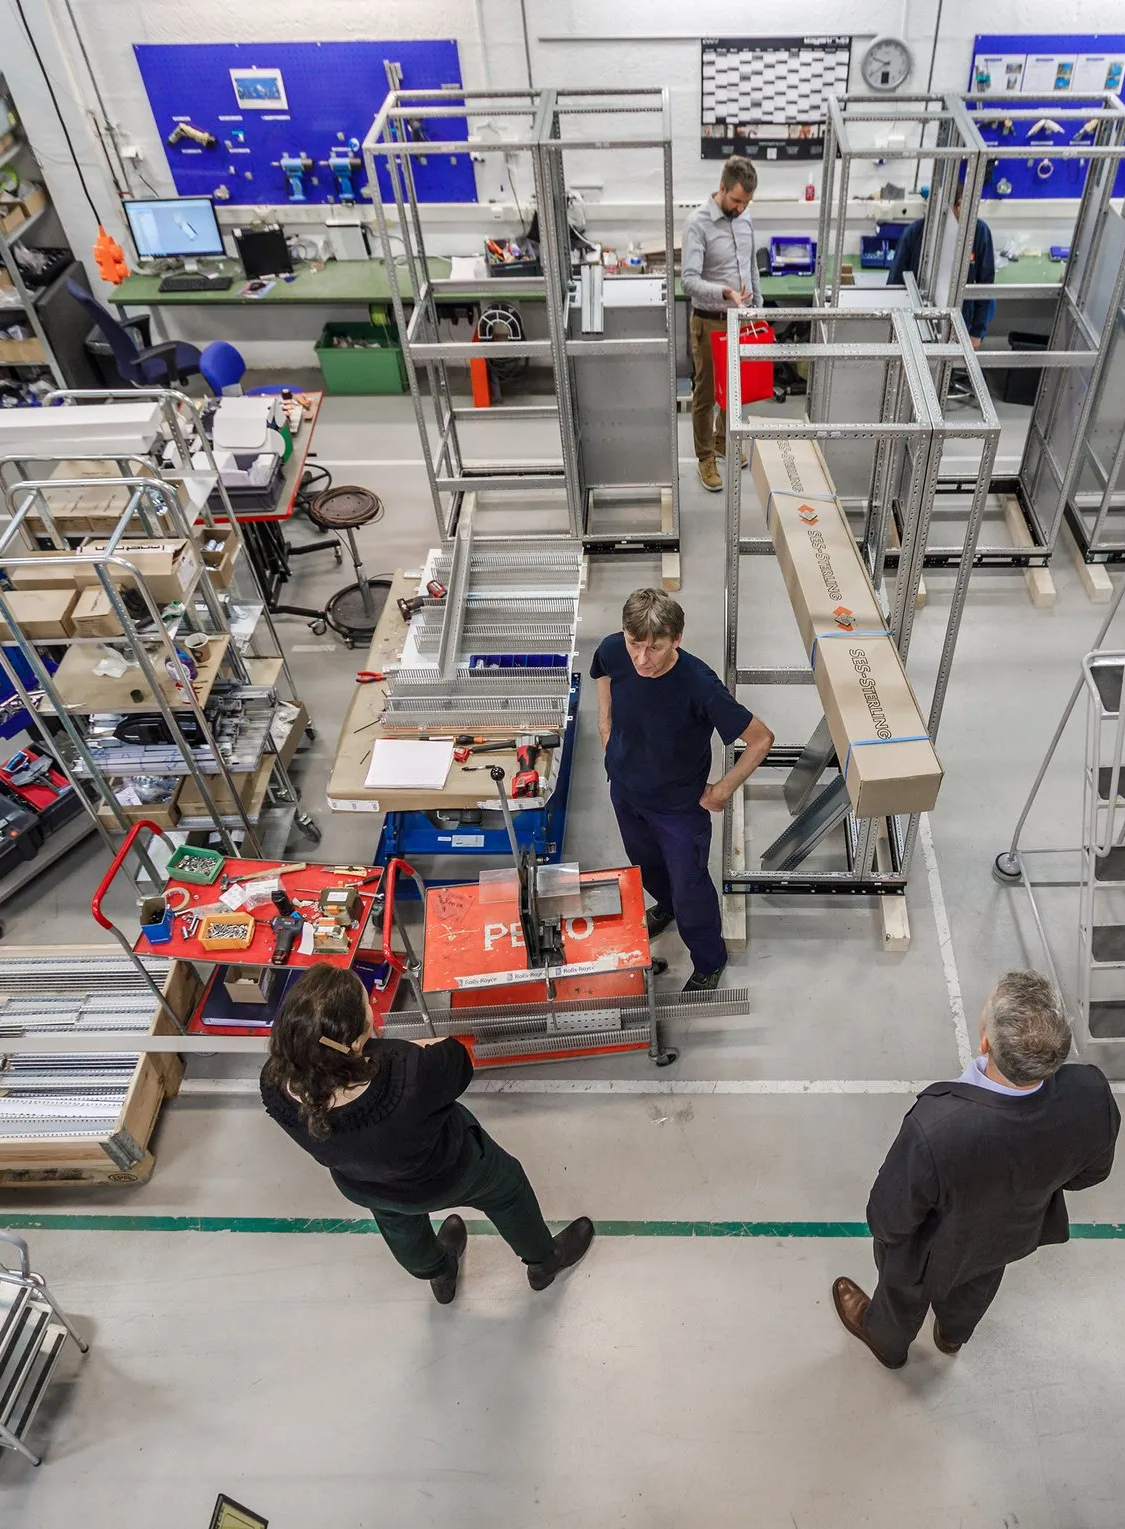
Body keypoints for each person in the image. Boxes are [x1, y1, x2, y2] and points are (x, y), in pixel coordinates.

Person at [831, 970, 1119, 1367]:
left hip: (930, 1249)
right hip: (1007, 1235)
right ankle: (952, 1336)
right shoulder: (1090, 1093)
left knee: (903, 1292)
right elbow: (1092, 1173)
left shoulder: (938, 1127)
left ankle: (886, 1342)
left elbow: (887, 1219)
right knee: (978, 1284)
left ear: (985, 1043)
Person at [261, 964, 595, 1305]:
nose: (372, 1014)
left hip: (367, 1187)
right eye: (367, 1009)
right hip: (450, 1171)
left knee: (399, 1227)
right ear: (355, 1041)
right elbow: (457, 1061)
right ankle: (543, 1261)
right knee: (508, 1191)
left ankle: (438, 1271)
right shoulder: (408, 1071)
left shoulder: (274, 1084)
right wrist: (399, 1049)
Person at [590, 587, 773, 991]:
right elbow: (602, 670)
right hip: (625, 790)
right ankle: (665, 907)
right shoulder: (613, 649)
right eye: (635, 644)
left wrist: (722, 791)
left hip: (677, 811)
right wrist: (605, 727)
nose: (642, 659)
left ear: (677, 638)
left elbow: (760, 739)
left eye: (654, 648)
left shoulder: (699, 685)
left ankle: (709, 960)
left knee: (691, 889)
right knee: (646, 864)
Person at [683, 155, 761, 492]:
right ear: (722, 188)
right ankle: (705, 458)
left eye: (746, 202)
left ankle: (722, 439)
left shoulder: (746, 220)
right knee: (705, 394)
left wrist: (757, 303)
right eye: (736, 200)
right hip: (710, 320)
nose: (741, 208)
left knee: (734, 391)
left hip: (740, 319)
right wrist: (724, 292)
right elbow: (688, 281)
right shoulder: (697, 223)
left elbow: (751, 265)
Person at [889, 181, 996, 341]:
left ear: (959, 206)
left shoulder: (979, 233)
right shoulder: (914, 233)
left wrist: (977, 332)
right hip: (918, 322)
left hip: (961, 321)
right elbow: (895, 284)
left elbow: (985, 285)